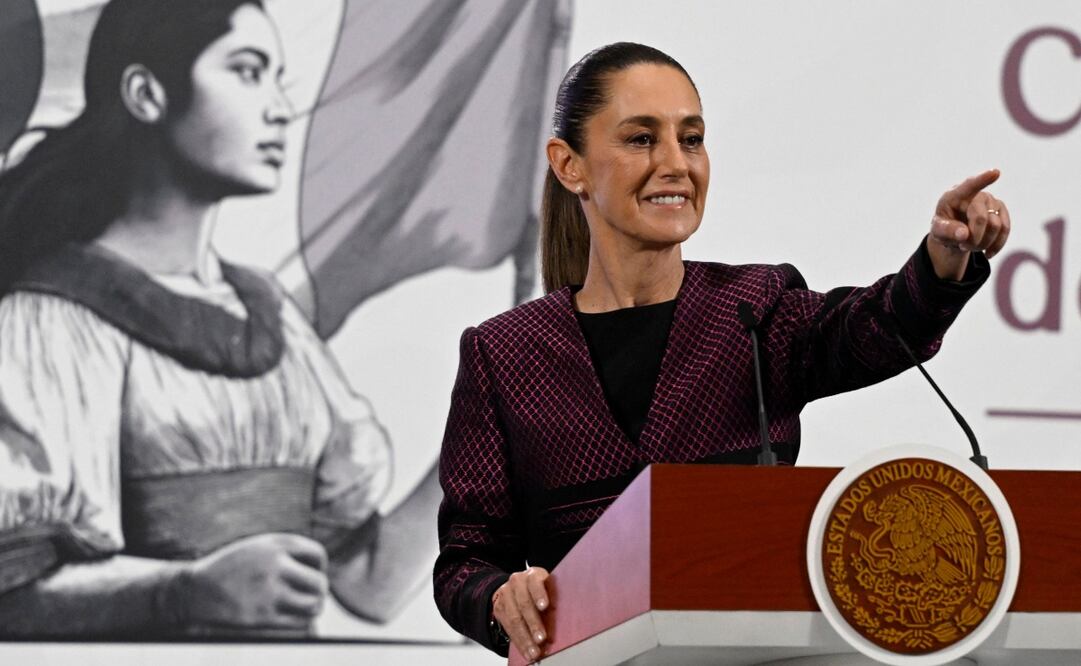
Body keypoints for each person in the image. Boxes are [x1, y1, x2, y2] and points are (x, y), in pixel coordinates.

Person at [433, 42, 1010, 661]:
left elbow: (875, 328)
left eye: (691, 139)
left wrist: (943, 262)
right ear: (569, 165)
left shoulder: (755, 310)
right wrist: (501, 599)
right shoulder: (505, 354)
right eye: (641, 139)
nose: (675, 164)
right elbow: (466, 558)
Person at [0, 0, 440, 636]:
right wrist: (185, 591)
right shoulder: (52, 320)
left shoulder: (273, 319)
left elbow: (370, 584)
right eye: (247, 71)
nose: (280, 108)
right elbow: (11, 594)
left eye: (278, 78)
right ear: (147, 94)